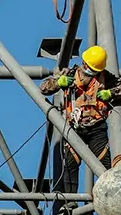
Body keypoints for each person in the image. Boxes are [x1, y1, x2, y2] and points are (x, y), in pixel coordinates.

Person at [39, 45, 121, 203]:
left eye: (92, 68)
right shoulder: (70, 74)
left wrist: (111, 93)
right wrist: (58, 83)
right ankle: (70, 201)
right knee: (70, 163)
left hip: (96, 128)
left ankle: (109, 198)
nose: (88, 70)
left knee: (103, 164)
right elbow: (44, 88)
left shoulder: (105, 78)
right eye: (87, 66)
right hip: (74, 128)